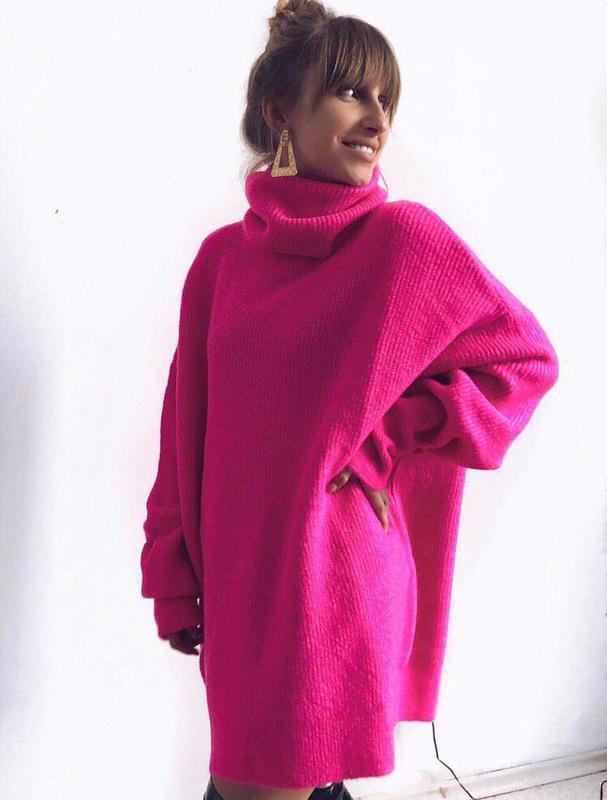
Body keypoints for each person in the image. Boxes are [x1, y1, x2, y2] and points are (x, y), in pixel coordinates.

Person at [140, 1, 559, 799]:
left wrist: (392, 428)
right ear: (279, 112)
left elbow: (525, 361)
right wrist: (170, 573)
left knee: (259, 783)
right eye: (349, 93)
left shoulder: (405, 243)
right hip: (239, 577)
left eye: (384, 99)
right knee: (286, 779)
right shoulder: (222, 262)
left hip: (335, 576)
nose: (376, 119)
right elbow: (184, 433)